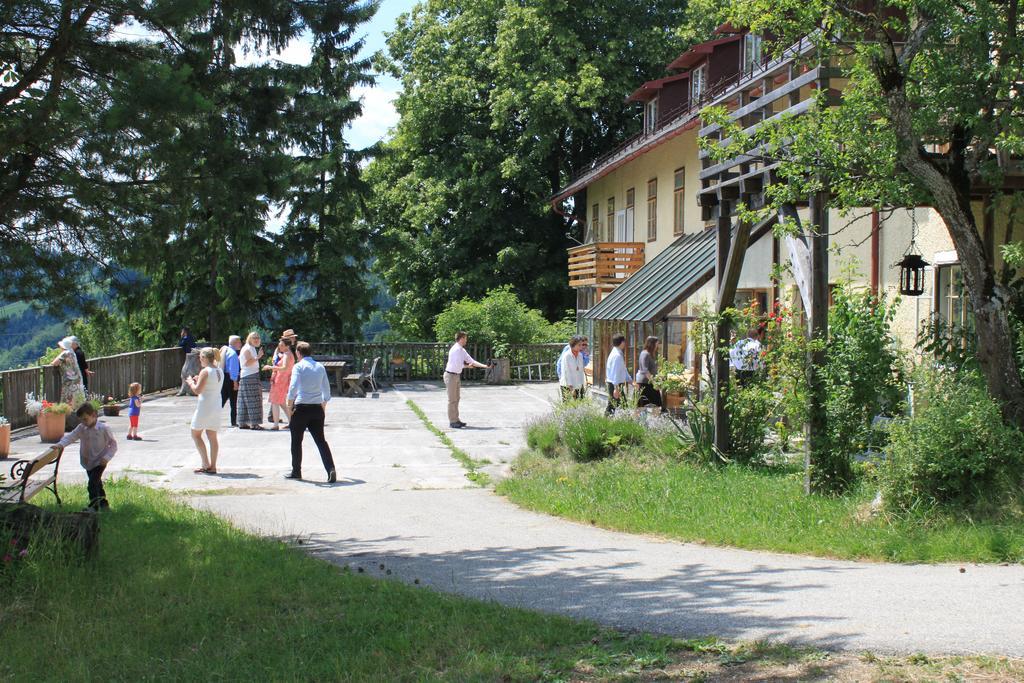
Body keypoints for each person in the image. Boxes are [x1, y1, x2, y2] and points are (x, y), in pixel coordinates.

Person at [286, 341, 336, 482]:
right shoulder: (320, 367)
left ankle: (296, 471)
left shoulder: (299, 367)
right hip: (316, 408)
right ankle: (330, 468)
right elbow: (326, 389)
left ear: (298, 353)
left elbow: (293, 387)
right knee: (321, 441)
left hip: (301, 407)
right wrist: (323, 403)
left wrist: (289, 405)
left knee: (296, 441)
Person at [57, 402, 117, 510]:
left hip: (100, 461)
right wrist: (60, 445)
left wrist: (107, 457)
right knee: (97, 483)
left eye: (85, 419)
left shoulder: (103, 428)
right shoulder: (81, 428)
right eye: (81, 420)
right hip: (88, 461)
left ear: (94, 415)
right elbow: (71, 437)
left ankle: (93, 507)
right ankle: (103, 504)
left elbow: (113, 445)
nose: (84, 422)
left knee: (92, 483)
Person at [186, 347, 224, 474]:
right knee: (212, 436)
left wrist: (191, 382)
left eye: (200, 357)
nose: (199, 359)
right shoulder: (219, 370)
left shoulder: (205, 371)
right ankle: (213, 466)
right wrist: (198, 381)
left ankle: (205, 463)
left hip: (205, 406)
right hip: (216, 405)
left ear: (205, 358)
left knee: (195, 434)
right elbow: (210, 385)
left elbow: (197, 390)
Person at [443, 331, 491, 429]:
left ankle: (456, 419)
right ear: (461, 339)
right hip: (450, 376)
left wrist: (485, 366)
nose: (466, 340)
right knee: (452, 400)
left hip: (456, 376)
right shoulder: (456, 350)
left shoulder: (462, 350)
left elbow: (471, 361)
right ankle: (452, 422)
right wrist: (467, 367)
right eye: (465, 338)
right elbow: (458, 364)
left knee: (457, 398)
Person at [266, 338, 296, 430]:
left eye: (282, 345)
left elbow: (284, 367)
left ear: (287, 346)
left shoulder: (287, 354)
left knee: (275, 402)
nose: (280, 347)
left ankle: (275, 424)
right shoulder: (288, 354)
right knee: (282, 403)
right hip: (283, 379)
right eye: (280, 345)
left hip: (280, 380)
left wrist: (270, 367)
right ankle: (292, 422)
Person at [237, 331, 265, 430]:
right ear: (249, 338)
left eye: (258, 337)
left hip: (248, 376)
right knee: (254, 400)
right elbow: (248, 362)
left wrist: (257, 357)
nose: (257, 339)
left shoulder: (250, 348)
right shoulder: (248, 348)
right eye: (254, 337)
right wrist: (258, 357)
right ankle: (254, 424)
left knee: (244, 401)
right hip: (250, 376)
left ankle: (242, 422)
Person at [51, 336, 85, 408]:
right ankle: (78, 414)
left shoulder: (65, 353)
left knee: (67, 398)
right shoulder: (72, 352)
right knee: (77, 398)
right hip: (77, 378)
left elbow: (54, 363)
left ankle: (67, 416)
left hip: (69, 380)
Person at [605, 333, 631, 414]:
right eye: (624, 342)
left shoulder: (616, 353)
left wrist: (629, 380)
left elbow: (622, 369)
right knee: (617, 405)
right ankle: (606, 422)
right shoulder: (617, 355)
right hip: (615, 384)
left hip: (614, 384)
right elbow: (615, 372)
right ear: (622, 342)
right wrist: (616, 388)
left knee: (614, 405)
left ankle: (607, 421)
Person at [636, 336, 663, 409]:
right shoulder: (645, 354)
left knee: (657, 404)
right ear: (651, 344)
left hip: (650, 382)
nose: (657, 346)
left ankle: (655, 420)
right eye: (656, 344)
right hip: (645, 383)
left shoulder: (650, 354)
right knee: (641, 405)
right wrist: (654, 383)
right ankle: (634, 420)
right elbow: (645, 370)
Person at [219, 335, 241, 427]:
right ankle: (233, 421)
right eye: (239, 342)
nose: (241, 344)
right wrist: (235, 383)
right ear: (235, 342)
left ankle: (211, 416)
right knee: (233, 401)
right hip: (231, 379)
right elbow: (233, 370)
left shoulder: (226, 350)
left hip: (224, 377)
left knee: (222, 399)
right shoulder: (233, 353)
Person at [557, 336, 586, 401]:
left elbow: (581, 371)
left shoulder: (580, 355)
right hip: (567, 385)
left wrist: (582, 384)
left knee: (579, 404)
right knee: (567, 405)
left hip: (578, 384)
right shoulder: (567, 356)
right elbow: (566, 372)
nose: (581, 347)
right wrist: (570, 385)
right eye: (579, 345)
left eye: (582, 345)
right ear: (573, 345)